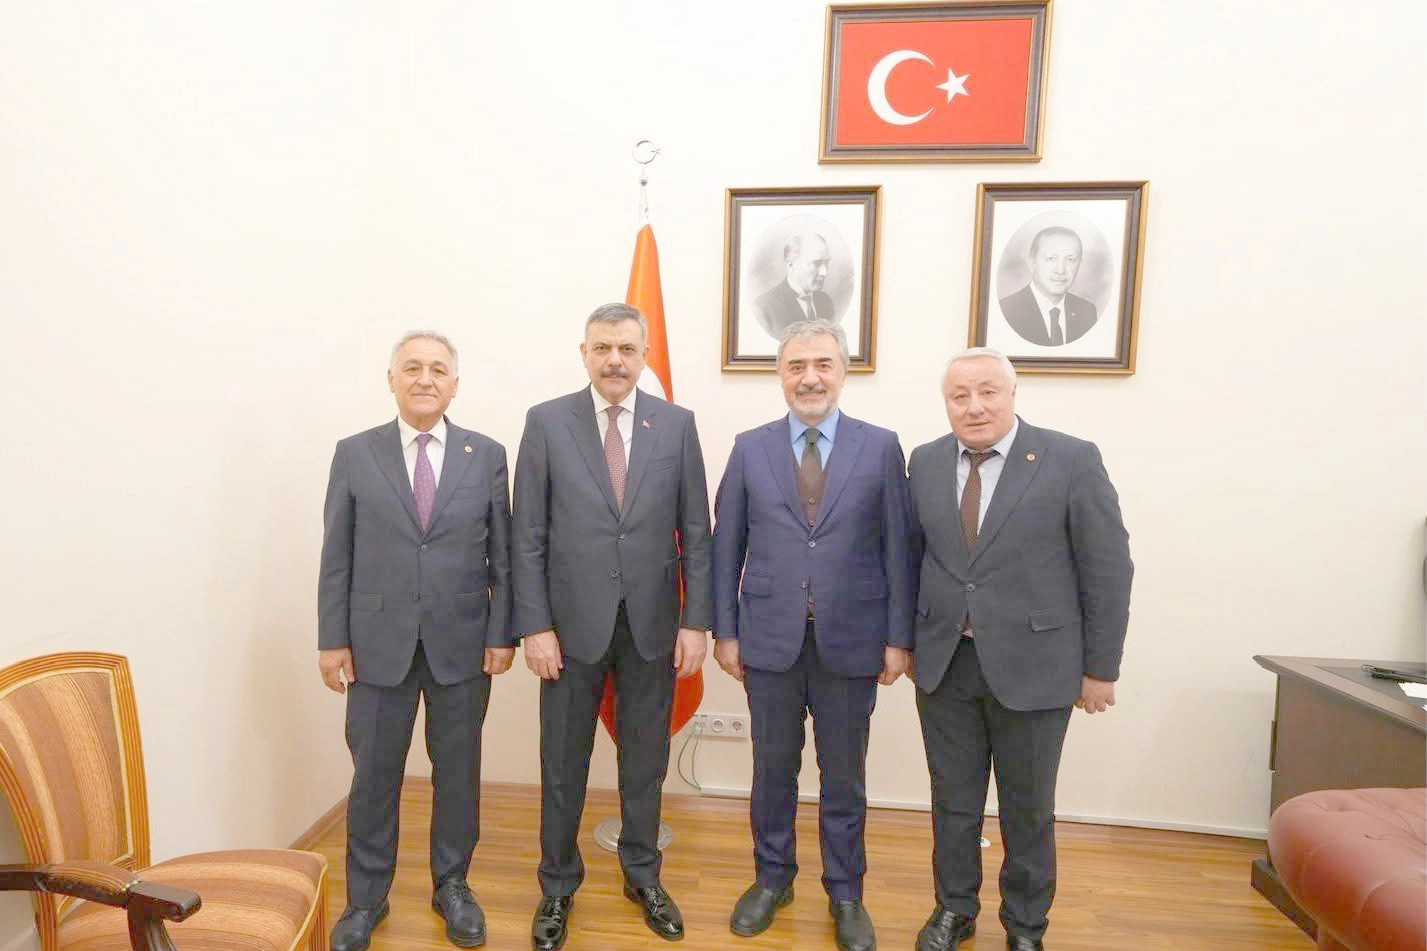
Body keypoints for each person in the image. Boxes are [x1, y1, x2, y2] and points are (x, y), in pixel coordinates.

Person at [907, 347, 1133, 951]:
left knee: (1027, 808)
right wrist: (904, 642)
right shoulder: (925, 461)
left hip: (1038, 668)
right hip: (945, 664)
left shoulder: (1070, 459)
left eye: (988, 391)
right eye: (959, 395)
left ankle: (1025, 924)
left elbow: (1108, 569)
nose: (974, 406)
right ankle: (954, 909)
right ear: (946, 402)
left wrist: (1101, 668)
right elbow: (910, 558)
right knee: (952, 802)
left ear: (1013, 394)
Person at [512, 302, 713, 951]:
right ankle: (557, 885)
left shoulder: (676, 425)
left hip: (653, 623)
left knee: (645, 761)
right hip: (567, 630)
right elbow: (527, 534)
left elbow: (697, 532)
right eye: (602, 348)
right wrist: (535, 625)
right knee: (562, 762)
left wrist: (696, 621)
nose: (614, 360)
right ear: (584, 353)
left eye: (626, 348)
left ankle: (642, 875)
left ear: (645, 355)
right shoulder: (547, 422)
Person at [711, 319, 914, 951]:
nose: (810, 378)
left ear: (843, 371)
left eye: (823, 364)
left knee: (843, 777)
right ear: (780, 375)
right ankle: (772, 880)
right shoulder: (750, 447)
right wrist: (725, 631)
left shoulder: (880, 447)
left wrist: (898, 637)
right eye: (796, 365)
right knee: (771, 771)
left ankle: (846, 892)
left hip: (853, 640)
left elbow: (900, 548)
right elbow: (726, 546)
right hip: (768, 639)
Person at [318, 331, 514, 951]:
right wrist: (332, 640)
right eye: (412, 368)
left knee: (458, 775)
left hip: (464, 644)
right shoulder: (355, 453)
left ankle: (452, 885)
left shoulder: (486, 455)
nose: (424, 378)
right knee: (374, 777)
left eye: (437, 369)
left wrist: (502, 632)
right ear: (391, 379)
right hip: (376, 645)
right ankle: (365, 899)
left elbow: (503, 557)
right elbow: (336, 554)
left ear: (454, 383)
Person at [997, 227, 1098, 347]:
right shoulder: (1008, 310)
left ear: (1079, 264)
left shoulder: (1087, 311)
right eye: (1051, 259)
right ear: (1032, 263)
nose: (1060, 270)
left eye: (1070, 260)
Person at [753, 233, 837, 339]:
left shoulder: (826, 302)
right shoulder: (764, 308)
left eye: (826, 262)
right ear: (791, 265)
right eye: (816, 263)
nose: (824, 272)